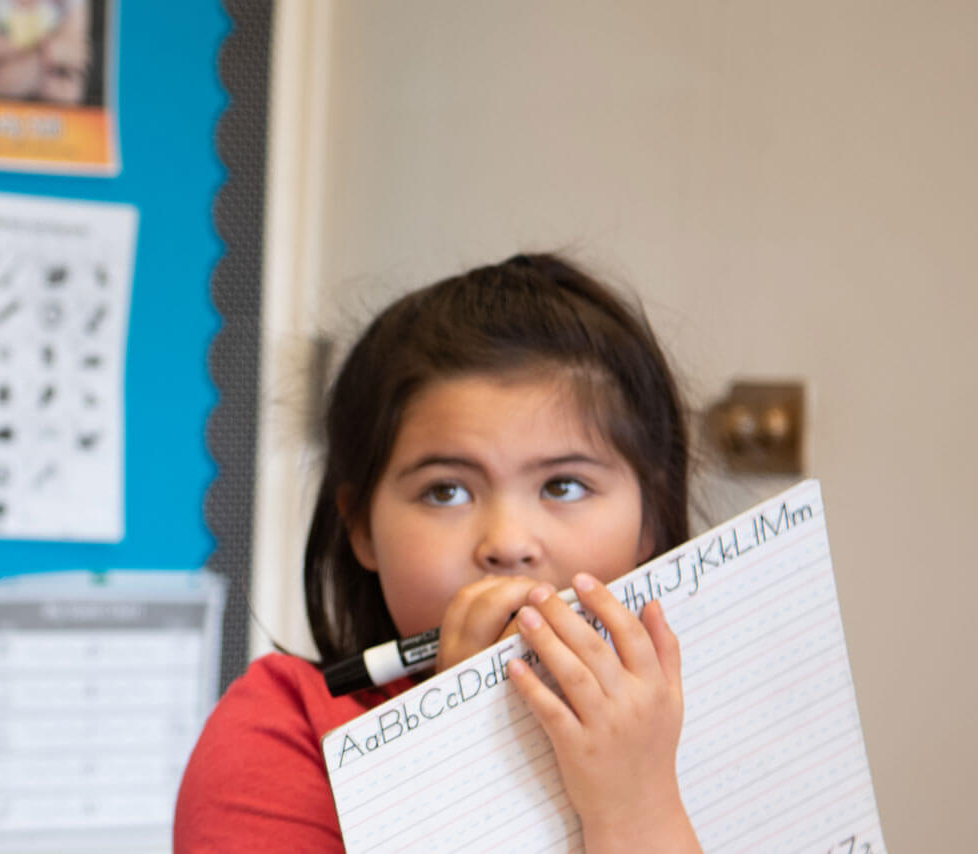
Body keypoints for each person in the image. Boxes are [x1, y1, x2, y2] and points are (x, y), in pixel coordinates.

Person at [172, 254, 702, 852]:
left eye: (563, 486)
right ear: (362, 529)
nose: (506, 544)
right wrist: (459, 743)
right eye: (445, 491)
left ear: (650, 517)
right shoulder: (279, 732)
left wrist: (638, 805)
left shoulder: (717, 700)